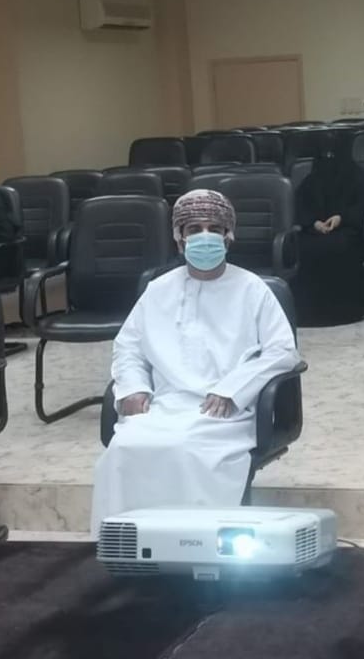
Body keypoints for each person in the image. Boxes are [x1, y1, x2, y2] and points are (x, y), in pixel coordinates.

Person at [91, 189, 301, 536]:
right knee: (125, 447)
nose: (205, 236)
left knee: (184, 448)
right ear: (179, 238)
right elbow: (128, 347)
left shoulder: (252, 289)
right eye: (194, 229)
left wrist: (233, 389)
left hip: (223, 412)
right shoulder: (158, 289)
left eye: (214, 229)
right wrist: (134, 388)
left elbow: (282, 351)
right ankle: (128, 544)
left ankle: (197, 542)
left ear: (228, 236)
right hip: (163, 405)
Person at [292, 145, 364, 326]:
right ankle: (309, 312)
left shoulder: (358, 177)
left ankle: (345, 311)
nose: (329, 161)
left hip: (348, 229)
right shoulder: (311, 180)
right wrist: (314, 222)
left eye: (333, 155)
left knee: (341, 245)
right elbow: (300, 206)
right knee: (304, 246)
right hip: (315, 230)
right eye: (325, 156)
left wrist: (341, 218)